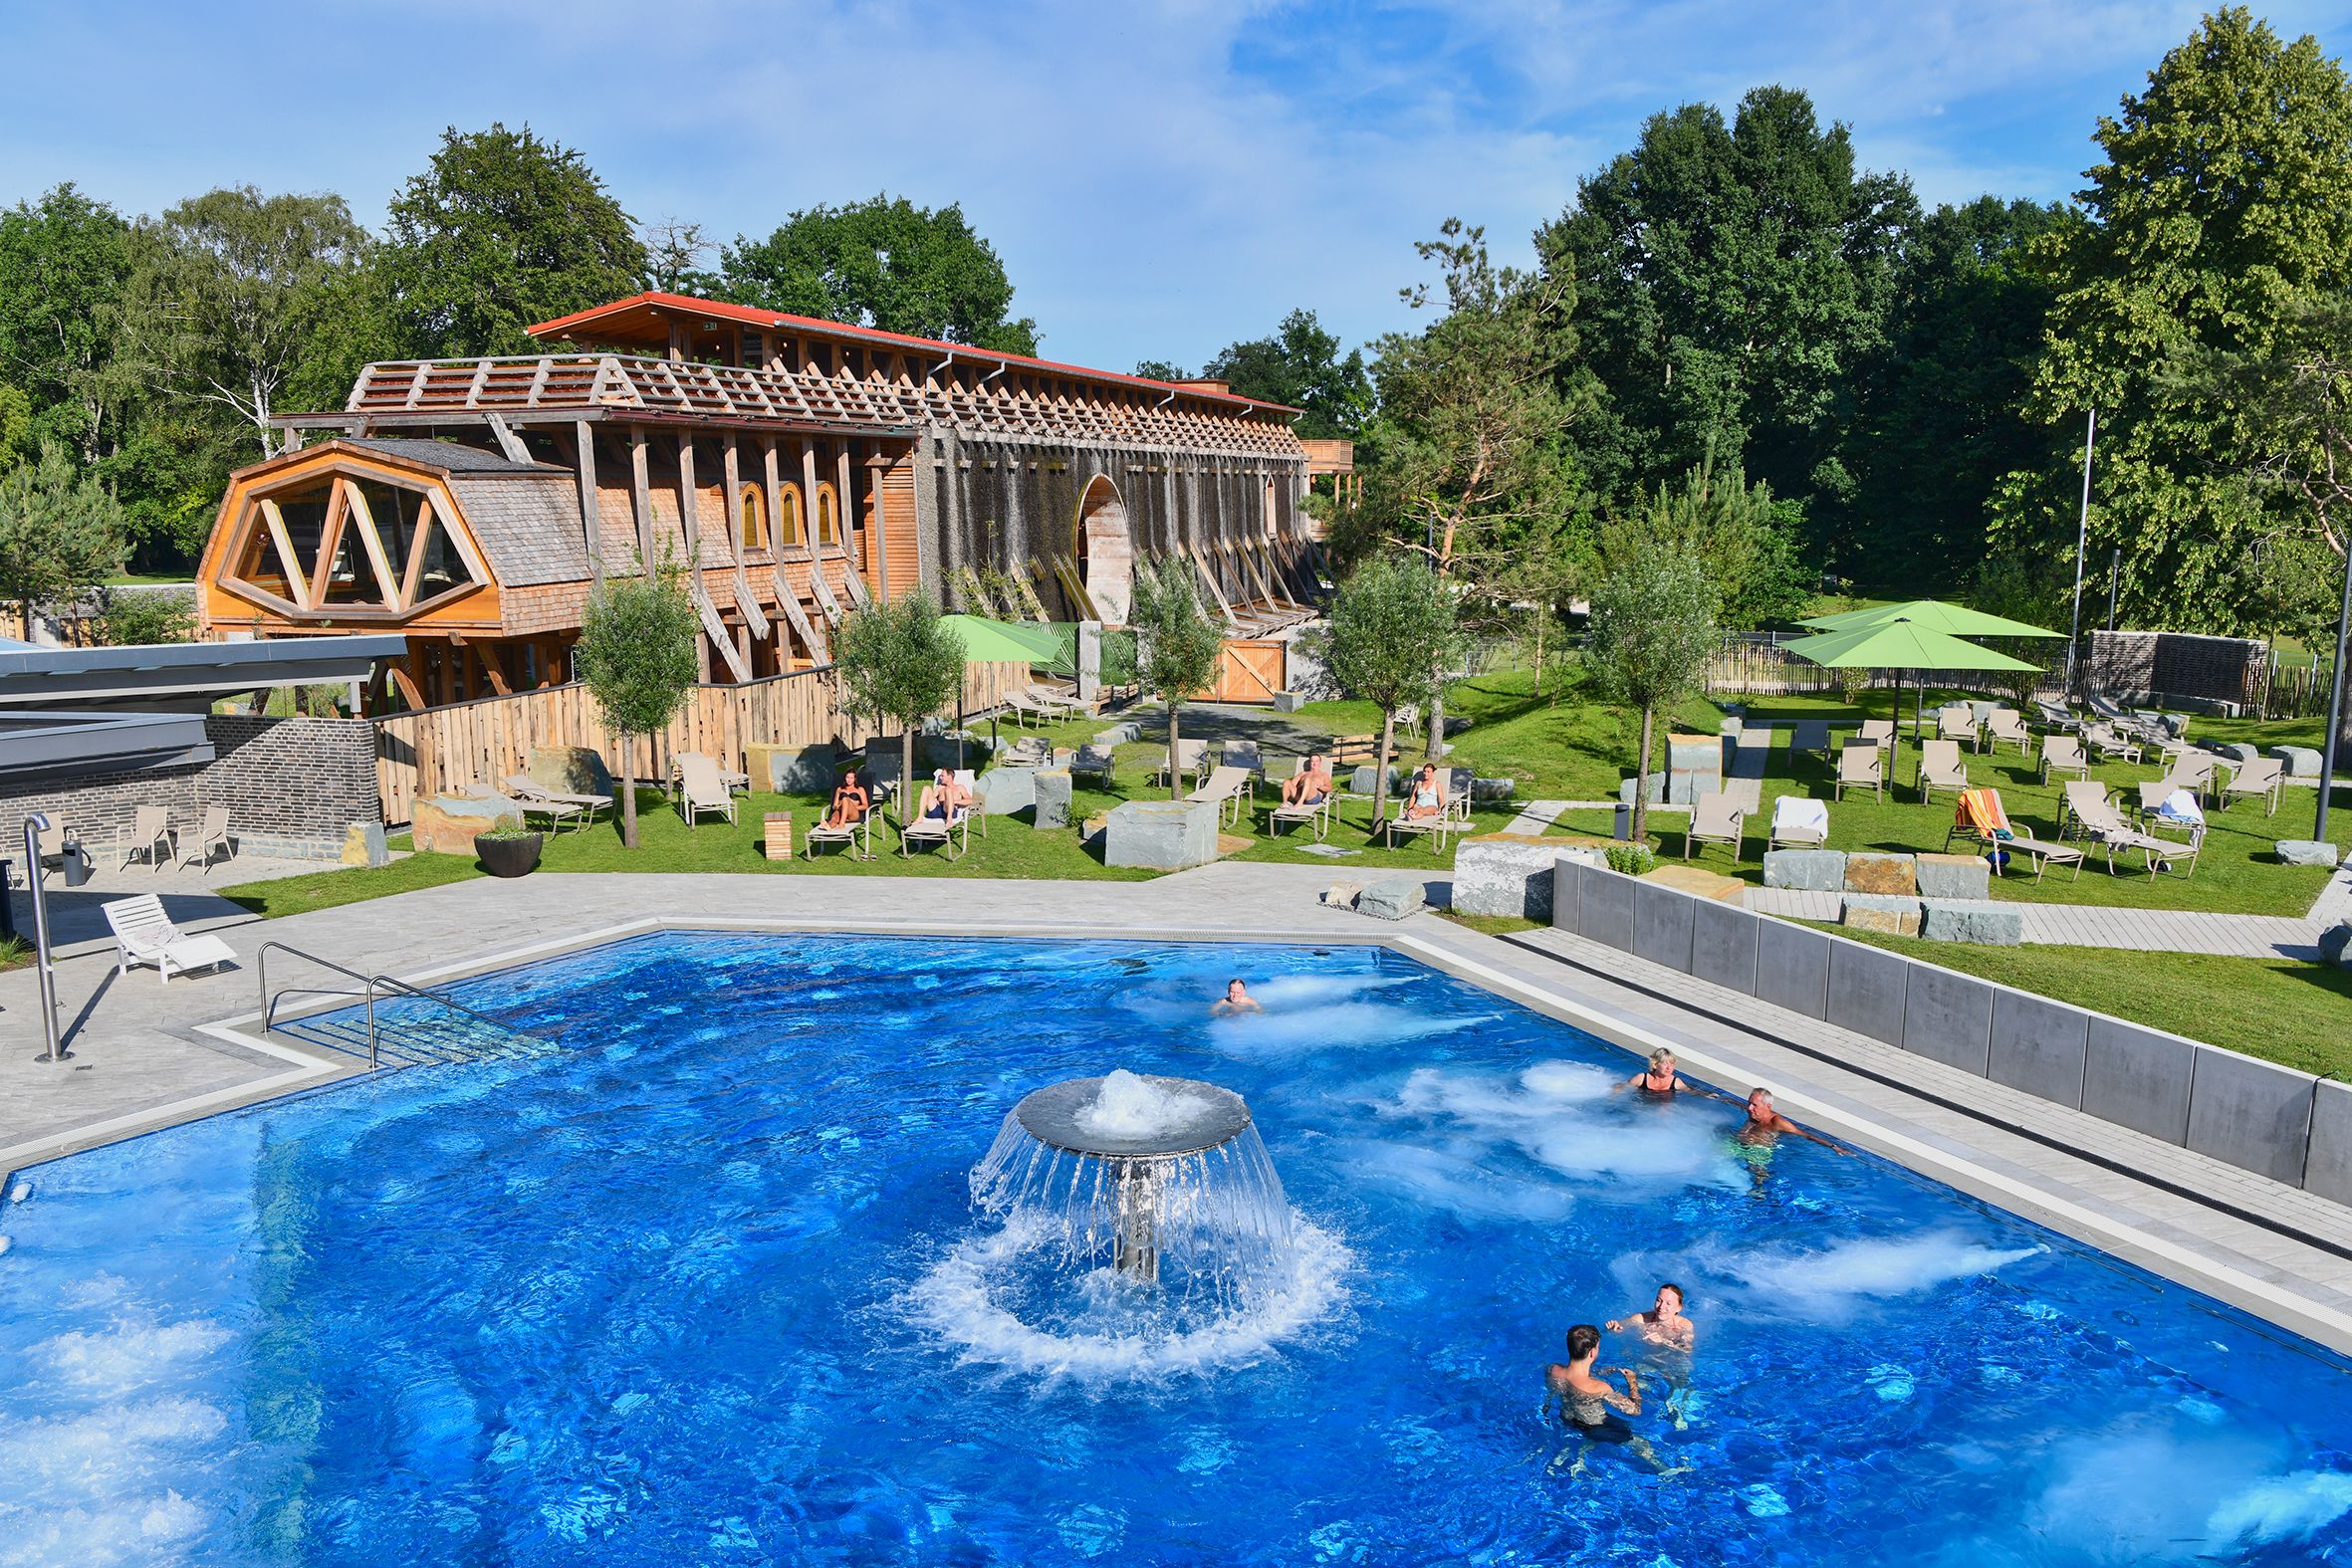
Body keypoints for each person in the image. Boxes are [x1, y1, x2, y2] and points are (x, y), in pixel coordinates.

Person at [1543, 1324, 1686, 1476]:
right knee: (1641, 1444)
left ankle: (1579, 1453)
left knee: (1590, 1435)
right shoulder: (1599, 1387)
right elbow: (1634, 1410)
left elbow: (1570, 1382)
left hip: (1567, 1418)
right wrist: (1632, 1382)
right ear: (1592, 1353)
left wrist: (1598, 1372)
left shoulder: (1553, 1370)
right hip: (1594, 1426)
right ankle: (1666, 1471)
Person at [1733, 1086, 1853, 1186]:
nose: (1749, 1108)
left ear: (1768, 1106)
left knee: (1758, 1178)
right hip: (1739, 1145)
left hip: (1758, 1152)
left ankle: (1760, 1194)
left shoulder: (1778, 1122)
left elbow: (1807, 1136)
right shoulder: (1753, 1113)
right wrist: (1722, 1098)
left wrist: (1833, 1146)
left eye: (1754, 1105)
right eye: (1749, 1103)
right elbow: (1739, 1105)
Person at [1606, 1283, 1696, 1351]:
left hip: (1672, 1362)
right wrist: (1615, 1328)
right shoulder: (1642, 1318)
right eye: (1658, 1300)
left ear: (1678, 1308)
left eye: (1668, 1303)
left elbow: (1687, 1350)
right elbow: (1622, 1325)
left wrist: (1663, 1342)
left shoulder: (1684, 1325)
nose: (1661, 1306)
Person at [1615, 1048, 1694, 1098]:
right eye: (1665, 1064)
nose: (1669, 1068)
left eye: (1671, 1064)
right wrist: (1613, 1098)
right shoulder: (1641, 1078)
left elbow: (1690, 1091)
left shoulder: (1676, 1082)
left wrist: (1705, 1094)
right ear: (1655, 1065)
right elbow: (1620, 1087)